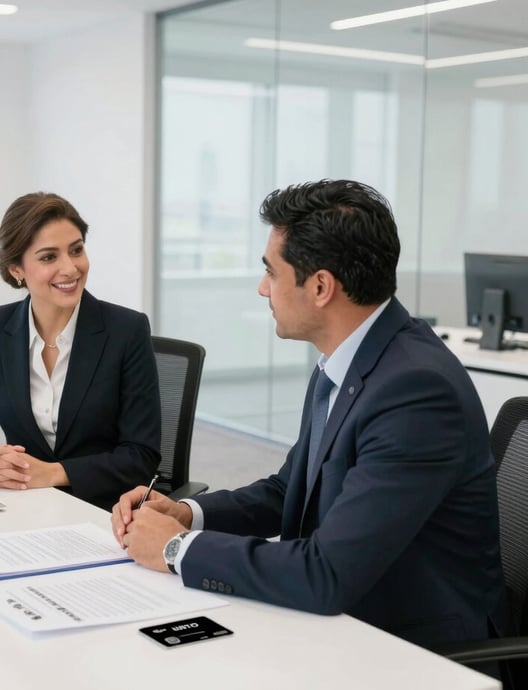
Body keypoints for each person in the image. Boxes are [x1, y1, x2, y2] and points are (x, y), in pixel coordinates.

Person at [112, 179, 511, 651]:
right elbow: (291, 490)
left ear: (320, 286)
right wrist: (186, 513)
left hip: (413, 647)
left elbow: (326, 574)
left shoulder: (416, 392)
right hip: (344, 618)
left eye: (271, 272)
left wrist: (175, 549)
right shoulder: (348, 358)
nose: (263, 289)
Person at [0, 192, 161, 511]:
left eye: (76, 250)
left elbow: (141, 456)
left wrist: (52, 473)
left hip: (103, 509)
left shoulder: (126, 330)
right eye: (49, 257)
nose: (70, 268)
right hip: (24, 505)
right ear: (16, 270)